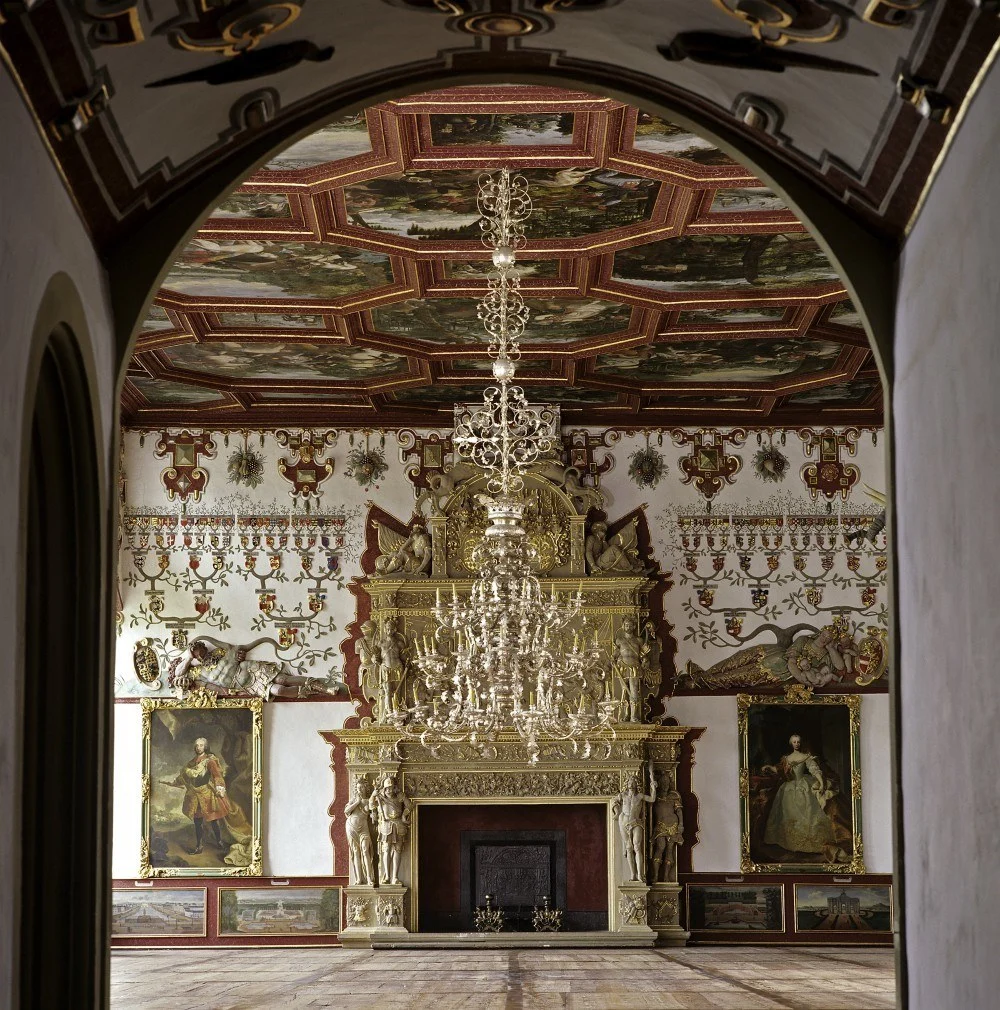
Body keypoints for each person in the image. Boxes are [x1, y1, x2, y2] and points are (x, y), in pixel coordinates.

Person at [760, 734, 851, 861]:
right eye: (794, 742)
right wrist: (769, 767)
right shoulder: (786, 758)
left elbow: (815, 770)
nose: (797, 744)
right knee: (788, 813)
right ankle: (788, 841)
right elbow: (779, 769)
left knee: (809, 812)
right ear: (791, 744)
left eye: (798, 742)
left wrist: (822, 782)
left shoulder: (806, 757)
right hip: (789, 788)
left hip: (803, 786)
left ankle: (811, 843)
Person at [169, 636, 346, 700]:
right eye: (196, 654)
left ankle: (324, 688)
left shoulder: (221, 652)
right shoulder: (200, 673)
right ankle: (314, 692)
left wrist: (239, 654)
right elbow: (177, 673)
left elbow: (236, 649)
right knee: (279, 691)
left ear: (205, 648)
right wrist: (188, 656)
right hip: (247, 685)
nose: (200, 655)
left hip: (251, 669)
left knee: (283, 679)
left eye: (200, 650)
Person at [160, 737, 231, 855]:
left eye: (201, 745)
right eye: (197, 745)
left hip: (207, 794)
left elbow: (217, 776)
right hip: (194, 795)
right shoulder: (191, 762)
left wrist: (220, 788)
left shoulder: (210, 761)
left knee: (213, 821)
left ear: (205, 747)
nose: (199, 747)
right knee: (197, 822)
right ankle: (199, 846)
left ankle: (219, 841)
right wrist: (174, 782)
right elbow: (184, 776)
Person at [612, 763, 656, 882]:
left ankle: (640, 875)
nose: (631, 785)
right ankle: (633, 874)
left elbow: (652, 799)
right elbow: (614, 802)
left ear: (636, 785)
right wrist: (616, 813)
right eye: (629, 783)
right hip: (624, 821)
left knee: (637, 846)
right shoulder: (622, 795)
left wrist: (653, 787)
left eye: (633, 783)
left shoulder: (640, 796)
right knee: (629, 847)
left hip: (636, 822)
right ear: (627, 785)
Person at [368, 774, 412, 885]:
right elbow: (371, 806)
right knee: (386, 850)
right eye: (387, 788)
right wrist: (373, 796)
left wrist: (403, 815)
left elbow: (410, 806)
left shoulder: (399, 796)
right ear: (384, 788)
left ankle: (394, 877)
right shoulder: (380, 798)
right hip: (385, 825)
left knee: (398, 850)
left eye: (391, 787)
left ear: (395, 787)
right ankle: (387, 875)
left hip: (398, 824)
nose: (389, 790)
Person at [344, 779, 376, 886]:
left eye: (362, 787)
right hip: (351, 827)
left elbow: (373, 813)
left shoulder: (368, 801)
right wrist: (357, 802)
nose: (360, 789)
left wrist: (373, 814)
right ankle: (359, 879)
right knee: (355, 852)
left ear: (366, 788)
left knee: (365, 850)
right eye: (358, 788)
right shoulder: (353, 800)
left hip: (363, 829)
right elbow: (346, 811)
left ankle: (369, 878)